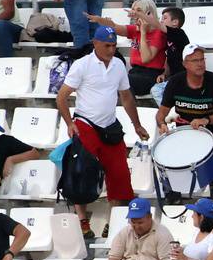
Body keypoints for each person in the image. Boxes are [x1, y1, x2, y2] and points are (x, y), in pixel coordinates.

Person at [56, 25, 151, 221]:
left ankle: (113, 222)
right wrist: (69, 123)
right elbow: (61, 97)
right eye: (107, 45)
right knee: (80, 172)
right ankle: (82, 219)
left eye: (114, 46)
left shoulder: (118, 65)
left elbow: (126, 97)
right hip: (85, 124)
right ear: (95, 44)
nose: (111, 50)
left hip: (110, 125)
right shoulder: (82, 65)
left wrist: (137, 125)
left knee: (120, 175)